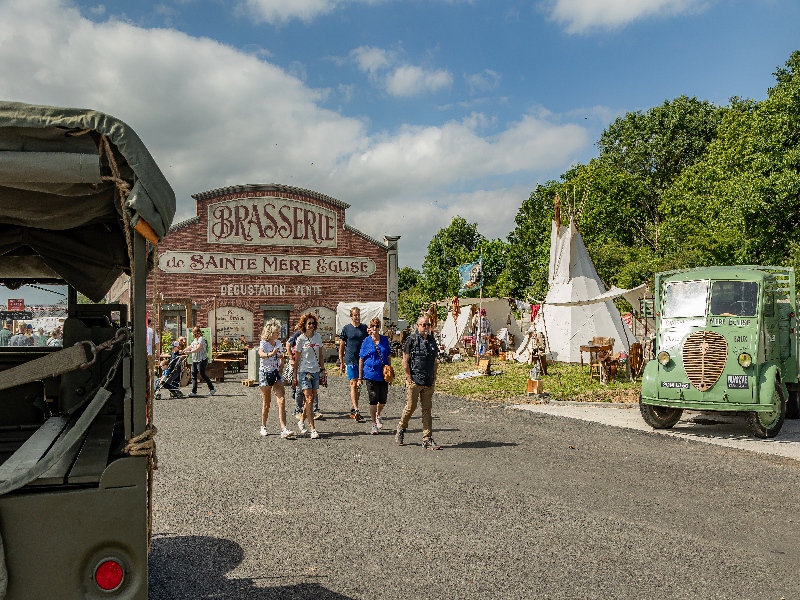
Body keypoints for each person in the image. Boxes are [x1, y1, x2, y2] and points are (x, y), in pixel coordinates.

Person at [395, 315, 441, 450]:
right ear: (417, 326)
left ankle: (427, 438)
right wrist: (408, 377)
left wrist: (434, 377)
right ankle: (401, 428)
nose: (426, 327)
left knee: (427, 409)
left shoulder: (432, 341)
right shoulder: (412, 340)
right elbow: (405, 360)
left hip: (428, 381)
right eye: (423, 325)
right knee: (410, 407)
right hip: (415, 380)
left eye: (428, 324)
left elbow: (434, 361)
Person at [257, 319, 294, 439]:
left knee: (282, 400)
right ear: (270, 332)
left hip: (276, 373)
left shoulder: (278, 343)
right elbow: (261, 354)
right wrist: (271, 354)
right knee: (267, 403)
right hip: (265, 374)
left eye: (278, 332)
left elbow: (282, 356)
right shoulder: (264, 343)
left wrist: (281, 366)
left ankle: (284, 428)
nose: (278, 334)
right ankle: (263, 426)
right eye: (276, 332)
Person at [292, 313, 325, 439]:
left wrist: (323, 370)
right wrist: (295, 375)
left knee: (311, 400)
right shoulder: (300, 339)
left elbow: (321, 355)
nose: (311, 325)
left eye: (313, 323)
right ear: (304, 325)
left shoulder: (318, 337)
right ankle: (313, 429)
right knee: (309, 399)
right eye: (309, 323)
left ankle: (301, 421)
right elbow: (297, 358)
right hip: (304, 371)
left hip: (316, 370)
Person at [358, 317, 392, 435]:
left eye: (377, 326)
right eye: (373, 326)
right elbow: (361, 359)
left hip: (382, 374)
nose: (375, 328)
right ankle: (373, 423)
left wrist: (390, 371)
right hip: (370, 374)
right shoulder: (366, 341)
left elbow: (388, 356)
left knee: (382, 400)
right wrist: (360, 377)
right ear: (370, 328)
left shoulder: (384, 340)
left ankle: (378, 414)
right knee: (373, 398)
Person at [339, 307, 367, 422]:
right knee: (353, 383)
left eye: (358, 315)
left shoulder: (364, 328)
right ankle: (356, 409)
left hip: (361, 360)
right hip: (350, 360)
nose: (357, 317)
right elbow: (341, 346)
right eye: (355, 315)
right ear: (351, 316)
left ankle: (355, 407)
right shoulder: (346, 329)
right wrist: (341, 361)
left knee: (358, 385)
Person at [286, 326, 321, 421]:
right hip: (301, 367)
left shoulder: (316, 336)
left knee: (313, 391)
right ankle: (298, 410)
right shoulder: (298, 335)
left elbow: (320, 352)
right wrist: (290, 358)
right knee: (299, 389)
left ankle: (314, 410)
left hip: (313, 367)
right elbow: (288, 344)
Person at [182, 326, 216, 397]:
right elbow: (190, 346)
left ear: (196, 333)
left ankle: (212, 389)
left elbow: (198, 348)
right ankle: (194, 391)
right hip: (195, 360)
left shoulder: (201, 339)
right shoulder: (195, 340)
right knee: (193, 375)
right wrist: (183, 350)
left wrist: (190, 352)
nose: (193, 335)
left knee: (202, 374)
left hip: (202, 360)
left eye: (193, 333)